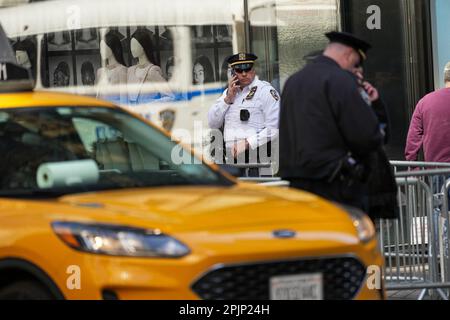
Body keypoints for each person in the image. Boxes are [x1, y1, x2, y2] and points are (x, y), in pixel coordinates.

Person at [279, 31, 384, 212]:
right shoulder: (341, 80)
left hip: (298, 184)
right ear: (349, 54)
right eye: (356, 62)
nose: (355, 68)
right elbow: (367, 135)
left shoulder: (293, 81)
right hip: (334, 184)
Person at [208, 52, 280, 176]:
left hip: (258, 158)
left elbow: (274, 128)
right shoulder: (229, 92)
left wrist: (247, 143)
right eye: (239, 70)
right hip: (231, 161)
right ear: (233, 72)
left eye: (248, 69)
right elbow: (213, 123)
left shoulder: (266, 91)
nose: (244, 74)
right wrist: (228, 100)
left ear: (254, 70)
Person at [405, 62, 450, 163]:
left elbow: (413, 139)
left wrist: (414, 170)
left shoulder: (425, 102)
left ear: (445, 78)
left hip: (436, 169)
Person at [127, 29, 172, 105]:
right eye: (131, 45)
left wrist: (150, 105)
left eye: (135, 45)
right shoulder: (130, 71)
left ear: (143, 46)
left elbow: (170, 96)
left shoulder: (152, 71)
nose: (132, 49)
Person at [96, 31, 128, 104]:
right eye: (100, 48)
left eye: (103, 47)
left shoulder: (122, 70)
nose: (101, 51)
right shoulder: (100, 72)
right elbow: (98, 98)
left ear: (111, 48)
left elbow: (124, 101)